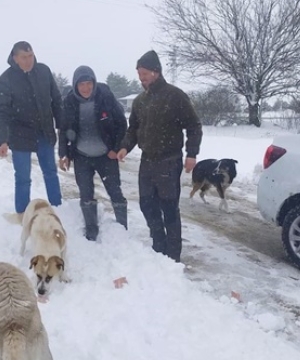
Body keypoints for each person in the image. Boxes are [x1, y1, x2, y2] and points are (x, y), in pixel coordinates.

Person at [117, 50, 203, 262]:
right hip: (147, 161)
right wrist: (125, 147)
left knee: (169, 208)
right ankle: (158, 245)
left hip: (169, 160)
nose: (141, 77)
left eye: (144, 73)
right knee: (147, 205)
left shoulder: (175, 96)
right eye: (139, 73)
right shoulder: (139, 101)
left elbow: (194, 126)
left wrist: (191, 154)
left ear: (156, 72)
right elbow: (133, 129)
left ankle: (173, 256)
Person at [0, 41, 64, 215]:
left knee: (50, 172)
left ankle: (58, 209)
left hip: (44, 131)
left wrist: (62, 126)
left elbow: (56, 100)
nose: (28, 60)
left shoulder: (43, 71)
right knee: (23, 178)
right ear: (15, 58)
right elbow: (0, 111)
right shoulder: (6, 79)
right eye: (24, 57)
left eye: (30, 56)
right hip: (20, 134)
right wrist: (3, 140)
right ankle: (22, 214)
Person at [58, 65, 128, 241]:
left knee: (115, 191)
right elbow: (64, 129)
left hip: (106, 155)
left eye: (89, 83)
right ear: (75, 86)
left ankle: (122, 229)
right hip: (81, 155)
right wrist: (63, 154)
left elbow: (121, 124)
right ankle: (91, 230)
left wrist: (115, 148)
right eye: (81, 84)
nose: (85, 88)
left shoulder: (105, 97)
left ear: (94, 83)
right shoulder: (69, 102)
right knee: (86, 193)